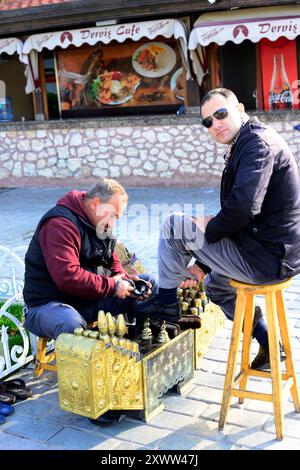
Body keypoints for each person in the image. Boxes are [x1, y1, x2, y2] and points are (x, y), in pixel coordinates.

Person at [138, 87, 300, 370]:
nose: (215, 124)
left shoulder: (257, 144)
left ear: (239, 109)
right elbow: (243, 215)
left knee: (174, 225)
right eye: (207, 121)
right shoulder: (246, 142)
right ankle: (270, 343)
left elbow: (242, 209)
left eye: (221, 114)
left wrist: (209, 228)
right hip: (265, 250)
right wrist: (203, 264)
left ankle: (166, 302)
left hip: (268, 257)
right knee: (215, 285)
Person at [23, 178, 156, 342]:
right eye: (113, 215)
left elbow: (112, 258)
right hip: (49, 305)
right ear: (95, 203)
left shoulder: (101, 224)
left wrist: (124, 278)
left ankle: (140, 348)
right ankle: (84, 366)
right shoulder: (60, 225)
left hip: (87, 299)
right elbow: (68, 278)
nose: (113, 222)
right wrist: (113, 286)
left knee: (149, 284)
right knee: (71, 325)